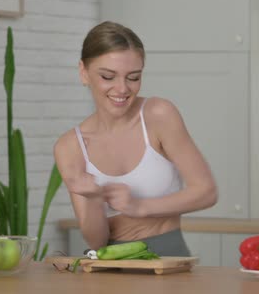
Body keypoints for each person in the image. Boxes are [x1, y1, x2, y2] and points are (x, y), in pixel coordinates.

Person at [54, 21, 217, 256]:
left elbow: (206, 192)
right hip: (108, 267)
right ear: (84, 72)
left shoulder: (158, 115)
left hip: (168, 258)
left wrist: (140, 207)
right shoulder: (70, 146)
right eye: (108, 76)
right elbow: (97, 242)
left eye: (133, 77)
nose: (122, 89)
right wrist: (91, 199)